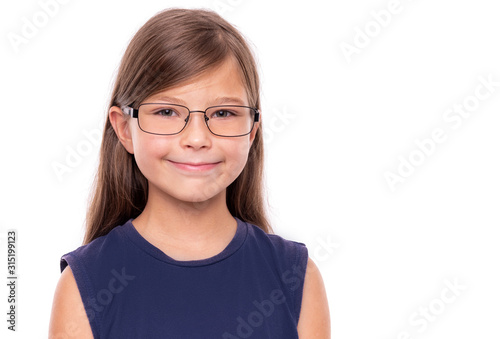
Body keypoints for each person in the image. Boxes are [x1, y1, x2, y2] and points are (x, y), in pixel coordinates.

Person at [49, 8, 330, 339]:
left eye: (224, 112)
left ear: (252, 131)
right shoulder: (85, 286)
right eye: (166, 111)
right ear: (125, 129)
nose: (197, 139)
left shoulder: (297, 278)